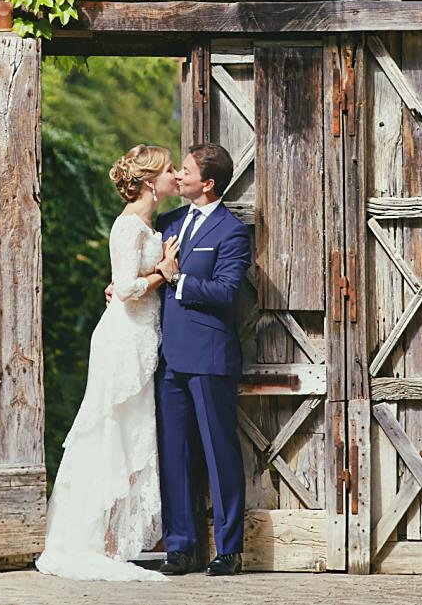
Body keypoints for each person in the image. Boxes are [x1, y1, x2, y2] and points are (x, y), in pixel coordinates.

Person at [35, 144, 179, 582]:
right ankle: (96, 540)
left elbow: (122, 283)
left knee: (130, 429)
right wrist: (164, 272)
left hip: (140, 336)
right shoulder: (129, 226)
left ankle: (113, 540)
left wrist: (145, 274)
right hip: (123, 339)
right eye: (170, 169)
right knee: (112, 428)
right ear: (151, 182)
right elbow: (128, 286)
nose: (175, 175)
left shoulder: (147, 225)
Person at [153, 143, 250, 578]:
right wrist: (121, 290)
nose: (179, 175)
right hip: (168, 357)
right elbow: (147, 278)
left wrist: (180, 279)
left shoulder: (231, 232)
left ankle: (228, 550)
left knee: (219, 454)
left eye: (186, 170)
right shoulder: (167, 223)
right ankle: (180, 546)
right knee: (173, 454)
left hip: (210, 358)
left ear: (207, 184)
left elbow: (228, 294)